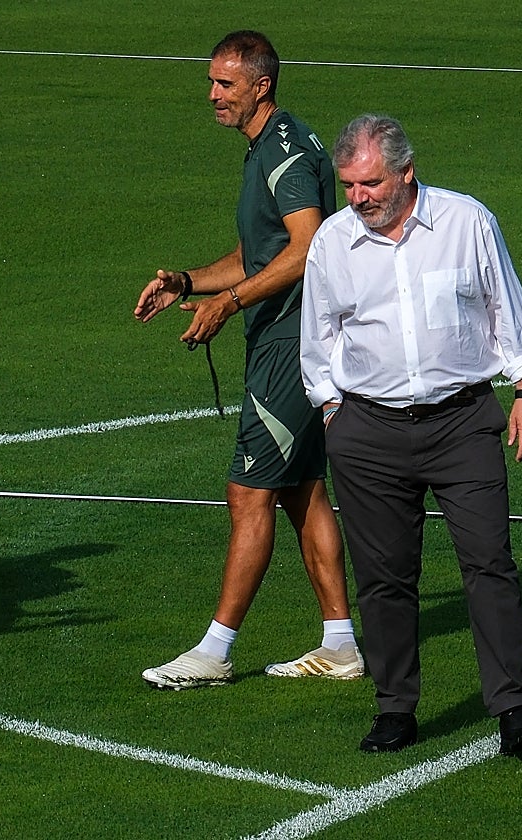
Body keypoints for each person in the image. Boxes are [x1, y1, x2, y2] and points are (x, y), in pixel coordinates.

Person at [300, 114, 522, 754]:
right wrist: (334, 413)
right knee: (384, 578)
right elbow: (318, 335)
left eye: (371, 184)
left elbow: (506, 307)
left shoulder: (467, 222)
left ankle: (514, 709)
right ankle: (395, 709)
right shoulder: (332, 241)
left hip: (463, 423)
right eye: (350, 185)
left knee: (489, 563)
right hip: (368, 432)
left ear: (407, 173)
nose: (359, 198)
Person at [134, 30, 362, 689]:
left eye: (224, 84)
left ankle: (214, 650)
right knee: (300, 490)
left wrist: (229, 303)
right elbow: (258, 255)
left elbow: (306, 247)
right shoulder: (268, 147)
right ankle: (341, 644)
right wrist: (186, 280)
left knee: (248, 490)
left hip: (291, 347)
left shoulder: (284, 151)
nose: (212, 94)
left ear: (260, 85)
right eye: (211, 82)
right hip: (288, 339)